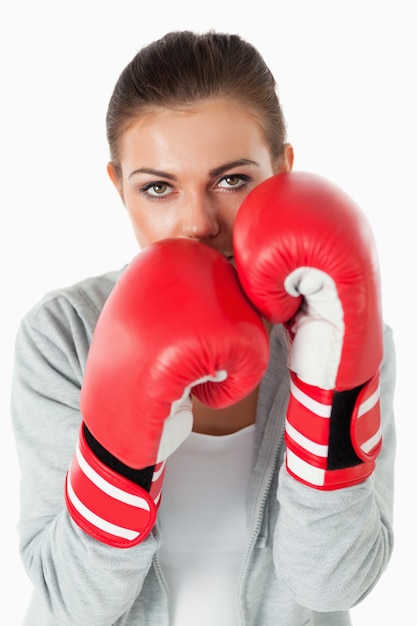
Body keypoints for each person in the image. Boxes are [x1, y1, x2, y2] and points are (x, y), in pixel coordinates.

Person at [11, 30, 396, 626]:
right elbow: (70, 607)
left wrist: (330, 391)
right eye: (158, 187)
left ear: (283, 170)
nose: (197, 223)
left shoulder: (340, 326)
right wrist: (117, 457)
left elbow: (332, 584)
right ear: (120, 188)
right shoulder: (65, 334)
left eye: (232, 180)